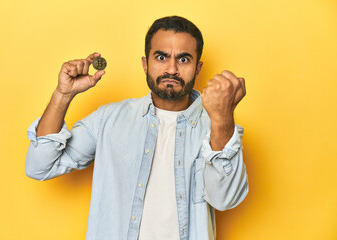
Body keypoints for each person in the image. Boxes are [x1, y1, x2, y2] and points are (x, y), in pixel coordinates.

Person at [25, 15, 248, 240]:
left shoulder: (219, 126)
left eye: (183, 59)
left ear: (198, 68)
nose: (172, 69)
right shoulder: (108, 119)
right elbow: (40, 166)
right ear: (145, 64)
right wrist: (63, 95)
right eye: (161, 57)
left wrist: (222, 118)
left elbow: (224, 200)